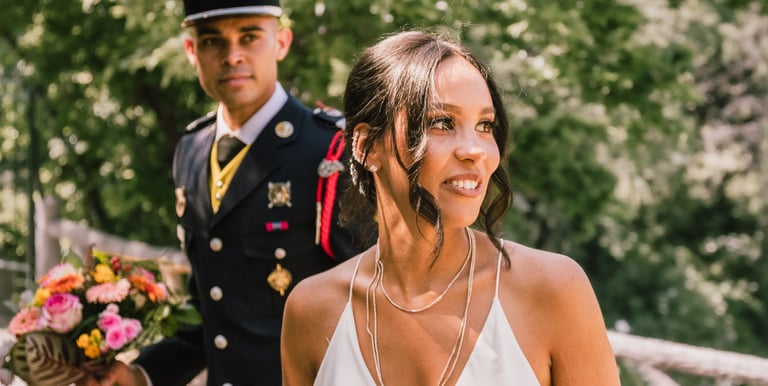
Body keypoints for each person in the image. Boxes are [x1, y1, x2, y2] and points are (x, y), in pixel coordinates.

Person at [281, 29, 621, 385]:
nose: (475, 151)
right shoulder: (312, 310)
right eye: (442, 123)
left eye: (484, 125)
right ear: (367, 147)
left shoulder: (553, 289)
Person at [84, 1, 368, 385]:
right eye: (213, 41)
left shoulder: (329, 151)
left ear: (281, 42)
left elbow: (372, 309)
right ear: (191, 51)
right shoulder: (192, 150)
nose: (232, 55)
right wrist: (142, 373)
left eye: (249, 37)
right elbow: (210, 310)